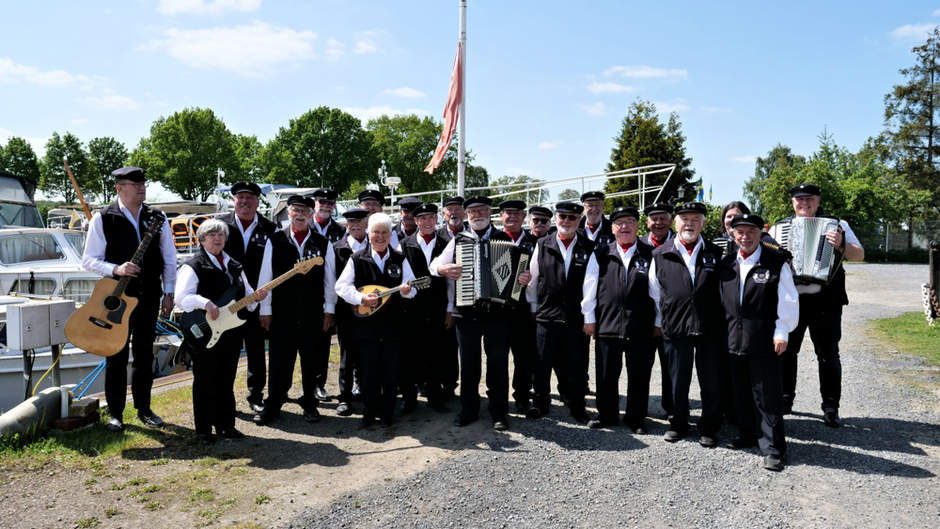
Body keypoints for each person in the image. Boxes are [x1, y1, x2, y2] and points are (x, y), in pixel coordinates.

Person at [81, 166, 177, 432]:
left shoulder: (157, 217)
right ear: (119, 188)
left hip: (149, 297)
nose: (142, 187)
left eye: (143, 183)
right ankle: (115, 414)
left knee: (145, 355)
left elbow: (169, 258)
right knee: (116, 356)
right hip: (118, 299)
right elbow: (88, 260)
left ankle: (144, 409)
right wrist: (116, 269)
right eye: (135, 184)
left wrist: (169, 293)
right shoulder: (104, 218)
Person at [769, 183, 864, 427]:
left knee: (828, 354)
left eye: (809, 199)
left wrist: (842, 244)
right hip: (793, 300)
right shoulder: (780, 228)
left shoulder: (837, 224)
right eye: (799, 200)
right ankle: (784, 400)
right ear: (792, 203)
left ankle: (831, 407)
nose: (804, 203)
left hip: (826, 300)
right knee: (786, 352)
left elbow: (859, 255)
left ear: (818, 201)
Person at [431, 196, 521, 431]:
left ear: (490, 212)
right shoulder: (459, 241)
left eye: (482, 211)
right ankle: (468, 410)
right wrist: (443, 269)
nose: (477, 215)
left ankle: (499, 412)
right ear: (467, 215)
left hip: (498, 314)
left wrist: (523, 279)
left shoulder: (504, 239)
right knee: (469, 364)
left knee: (498, 364)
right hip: (467, 314)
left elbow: (519, 275)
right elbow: (434, 266)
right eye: (473, 212)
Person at [176, 219, 269, 445]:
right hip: (205, 332)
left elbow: (246, 297)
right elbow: (181, 298)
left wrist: (255, 299)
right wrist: (204, 303)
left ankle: (226, 425)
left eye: (221, 235)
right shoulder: (193, 265)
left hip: (230, 332)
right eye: (211, 235)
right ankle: (204, 430)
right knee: (205, 381)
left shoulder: (235, 265)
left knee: (226, 381)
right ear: (202, 239)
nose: (217, 239)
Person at [719, 213, 799, 471]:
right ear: (733, 234)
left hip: (765, 339)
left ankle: (773, 448)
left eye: (750, 231)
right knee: (741, 392)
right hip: (734, 340)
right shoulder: (727, 263)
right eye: (740, 232)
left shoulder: (776, 262)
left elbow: (788, 300)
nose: (745, 237)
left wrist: (782, 331)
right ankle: (747, 434)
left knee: (767, 396)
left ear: (760, 233)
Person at [255, 196, 337, 425]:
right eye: (295, 210)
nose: (300, 214)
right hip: (282, 314)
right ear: (288, 213)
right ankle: (273, 404)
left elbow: (330, 280)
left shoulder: (322, 242)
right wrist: (265, 310)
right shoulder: (275, 240)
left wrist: (329, 309)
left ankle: (310, 403)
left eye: (304, 211)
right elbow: (266, 277)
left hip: (312, 314)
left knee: (311, 362)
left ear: (311, 215)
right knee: (280, 361)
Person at [648, 201, 724, 447]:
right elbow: (654, 292)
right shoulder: (659, 254)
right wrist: (664, 320)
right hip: (676, 326)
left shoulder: (716, 253)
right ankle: (677, 424)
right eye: (684, 219)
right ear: (675, 222)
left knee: (711, 381)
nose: (689, 224)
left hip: (708, 328)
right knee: (676, 380)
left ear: (703, 223)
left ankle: (709, 427)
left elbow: (724, 292)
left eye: (695, 219)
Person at [335, 213, 416, 428]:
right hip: (366, 327)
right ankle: (369, 414)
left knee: (391, 373)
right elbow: (341, 287)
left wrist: (407, 290)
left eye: (384, 233)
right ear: (368, 233)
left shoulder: (400, 258)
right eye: (376, 232)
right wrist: (361, 298)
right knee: (368, 373)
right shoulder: (357, 258)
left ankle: (387, 414)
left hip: (393, 327)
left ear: (390, 235)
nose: (380, 237)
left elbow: (413, 290)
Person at [581, 206, 656, 432]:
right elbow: (590, 286)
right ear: (612, 228)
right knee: (606, 374)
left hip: (640, 325)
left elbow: (657, 292)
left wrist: (658, 322)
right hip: (608, 323)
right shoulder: (601, 253)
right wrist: (589, 318)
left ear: (637, 226)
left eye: (630, 221)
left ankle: (635, 418)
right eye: (619, 223)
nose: (625, 226)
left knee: (639, 375)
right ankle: (607, 415)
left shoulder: (650, 253)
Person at [526, 202, 595, 422]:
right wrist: (534, 307)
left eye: (572, 218)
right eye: (562, 216)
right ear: (556, 218)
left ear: (579, 220)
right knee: (542, 363)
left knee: (577, 365)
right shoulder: (543, 243)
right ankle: (540, 404)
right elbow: (533, 278)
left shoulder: (588, 246)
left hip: (576, 317)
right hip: (547, 314)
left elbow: (590, 284)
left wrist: (589, 317)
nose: (566, 221)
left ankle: (577, 407)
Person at [218, 181, 275, 414]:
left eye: (250, 197)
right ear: (233, 201)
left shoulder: (270, 229)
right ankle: (225, 399)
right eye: (240, 197)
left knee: (256, 353)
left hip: (256, 302)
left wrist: (266, 308)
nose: (245, 201)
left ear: (257, 202)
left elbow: (273, 268)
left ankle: (256, 396)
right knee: (227, 354)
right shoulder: (219, 226)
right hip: (225, 303)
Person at [399, 203, 451, 413]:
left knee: (436, 356)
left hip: (438, 308)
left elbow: (451, 282)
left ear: (437, 219)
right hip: (411, 309)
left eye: (431, 217)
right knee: (410, 356)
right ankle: (409, 399)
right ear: (416, 220)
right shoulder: (404, 244)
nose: (428, 221)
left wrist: (449, 308)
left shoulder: (447, 243)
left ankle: (435, 398)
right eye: (423, 218)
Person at [497, 199, 540, 412]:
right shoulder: (492, 239)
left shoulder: (536, 242)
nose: (512, 216)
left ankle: (522, 396)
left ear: (524, 217)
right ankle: (497, 399)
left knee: (524, 356)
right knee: (497, 358)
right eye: (508, 213)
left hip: (523, 308)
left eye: (517, 213)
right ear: (501, 216)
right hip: (497, 309)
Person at [332, 208, 370, 416]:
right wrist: (329, 310)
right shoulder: (337, 248)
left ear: (367, 223)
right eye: (351, 222)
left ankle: (367, 394)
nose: (356, 225)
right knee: (347, 355)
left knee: (368, 353)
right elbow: (330, 281)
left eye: (360, 221)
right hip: (346, 311)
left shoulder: (375, 245)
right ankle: (344, 397)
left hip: (370, 310)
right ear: (346, 225)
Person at [640, 202, 675, 417]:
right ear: (647, 222)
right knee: (641, 368)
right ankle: (639, 411)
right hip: (643, 319)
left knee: (671, 368)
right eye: (654, 218)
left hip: (672, 319)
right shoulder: (639, 244)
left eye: (663, 218)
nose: (658, 222)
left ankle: (672, 409)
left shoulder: (679, 244)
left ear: (671, 221)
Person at [310, 188, 344, 402]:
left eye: (330, 202)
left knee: (323, 343)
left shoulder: (341, 231)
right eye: (322, 201)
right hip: (307, 293)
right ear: (314, 203)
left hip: (332, 293)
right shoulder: (303, 225)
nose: (326, 205)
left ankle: (318, 384)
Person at [436, 196, 467, 401]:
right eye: (450, 210)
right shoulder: (437, 237)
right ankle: (439, 385)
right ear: (443, 213)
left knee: (461, 349)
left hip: (466, 301)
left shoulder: (472, 235)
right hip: (441, 300)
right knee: (443, 345)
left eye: (458, 209)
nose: (454, 213)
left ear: (464, 213)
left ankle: (453, 385)